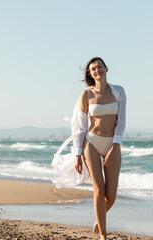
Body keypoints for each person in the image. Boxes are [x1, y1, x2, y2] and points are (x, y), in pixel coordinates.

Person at [52, 57, 126, 240]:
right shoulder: (86, 94)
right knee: (99, 190)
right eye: (93, 69)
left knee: (111, 196)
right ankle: (103, 235)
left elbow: (122, 122)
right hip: (91, 143)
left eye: (100, 66)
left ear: (106, 68)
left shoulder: (119, 92)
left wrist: (115, 146)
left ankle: (98, 221)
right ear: (90, 74)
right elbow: (79, 127)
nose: (97, 70)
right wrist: (78, 154)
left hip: (112, 144)